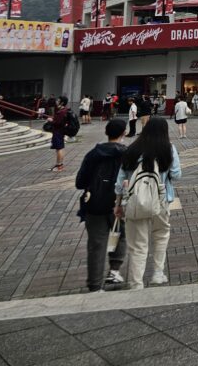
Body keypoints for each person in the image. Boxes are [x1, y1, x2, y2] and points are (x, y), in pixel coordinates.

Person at [113, 117, 181, 290]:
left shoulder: (132, 149)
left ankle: (136, 282)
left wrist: (118, 204)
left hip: (134, 201)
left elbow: (120, 182)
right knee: (161, 235)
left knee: (137, 244)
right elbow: (177, 174)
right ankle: (158, 273)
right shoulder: (169, 149)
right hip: (161, 200)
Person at [75, 118, 128, 292]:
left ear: (106, 132)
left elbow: (80, 182)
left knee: (96, 244)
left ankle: (94, 284)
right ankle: (114, 271)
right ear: (124, 133)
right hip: (118, 203)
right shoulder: (126, 154)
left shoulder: (93, 154)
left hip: (94, 203)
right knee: (118, 235)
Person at [49, 98, 69, 171]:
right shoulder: (65, 110)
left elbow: (58, 123)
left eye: (58, 101)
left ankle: (59, 166)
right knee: (60, 148)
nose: (56, 102)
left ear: (62, 102)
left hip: (58, 131)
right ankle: (60, 165)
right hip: (61, 131)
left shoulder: (61, 111)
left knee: (59, 148)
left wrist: (51, 120)